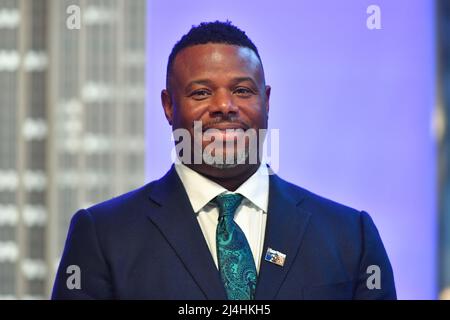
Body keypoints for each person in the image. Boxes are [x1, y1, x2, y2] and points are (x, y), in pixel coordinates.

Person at [52, 21, 396, 300]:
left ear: (267, 100)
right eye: (201, 92)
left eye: (243, 91)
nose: (224, 106)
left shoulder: (350, 236)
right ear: (168, 106)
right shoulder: (104, 236)